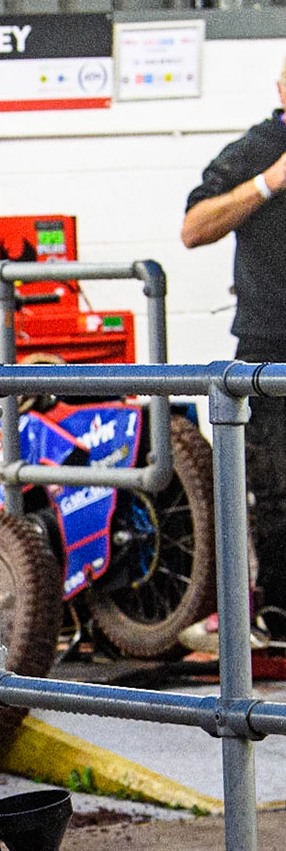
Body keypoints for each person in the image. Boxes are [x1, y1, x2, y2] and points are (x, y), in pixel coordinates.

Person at [181, 59, 286, 647]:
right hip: (271, 350)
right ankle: (278, 616)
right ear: (280, 88)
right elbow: (194, 228)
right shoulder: (256, 149)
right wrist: (269, 183)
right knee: (276, 490)